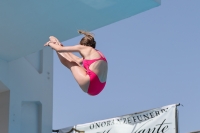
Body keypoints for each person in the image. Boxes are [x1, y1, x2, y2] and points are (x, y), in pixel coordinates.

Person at [44, 30, 108, 96]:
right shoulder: (98, 53)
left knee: (69, 63)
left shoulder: (83, 47)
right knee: (73, 62)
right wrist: (62, 47)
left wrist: (50, 44)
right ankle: (56, 44)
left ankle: (55, 43)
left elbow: (59, 49)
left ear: (82, 44)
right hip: (99, 87)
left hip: (90, 83)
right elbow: (77, 60)